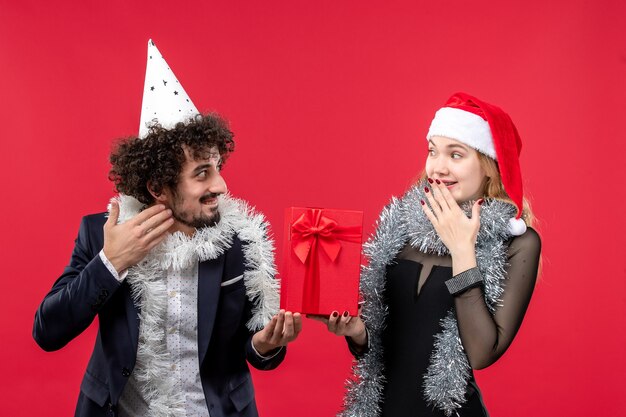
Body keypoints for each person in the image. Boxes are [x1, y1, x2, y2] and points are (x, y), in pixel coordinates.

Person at [32, 40, 301, 417]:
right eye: (202, 174)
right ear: (158, 188)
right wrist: (112, 262)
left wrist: (265, 345)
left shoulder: (241, 241)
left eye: (218, 168)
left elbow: (254, 351)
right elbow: (47, 332)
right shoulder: (102, 233)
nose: (220, 186)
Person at [314, 92, 541, 416]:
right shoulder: (402, 223)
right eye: (432, 151)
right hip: (381, 409)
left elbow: (482, 352)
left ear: (490, 166)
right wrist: (357, 332)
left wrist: (462, 248)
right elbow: (390, 338)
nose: (438, 166)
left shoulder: (517, 241)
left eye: (456, 154)